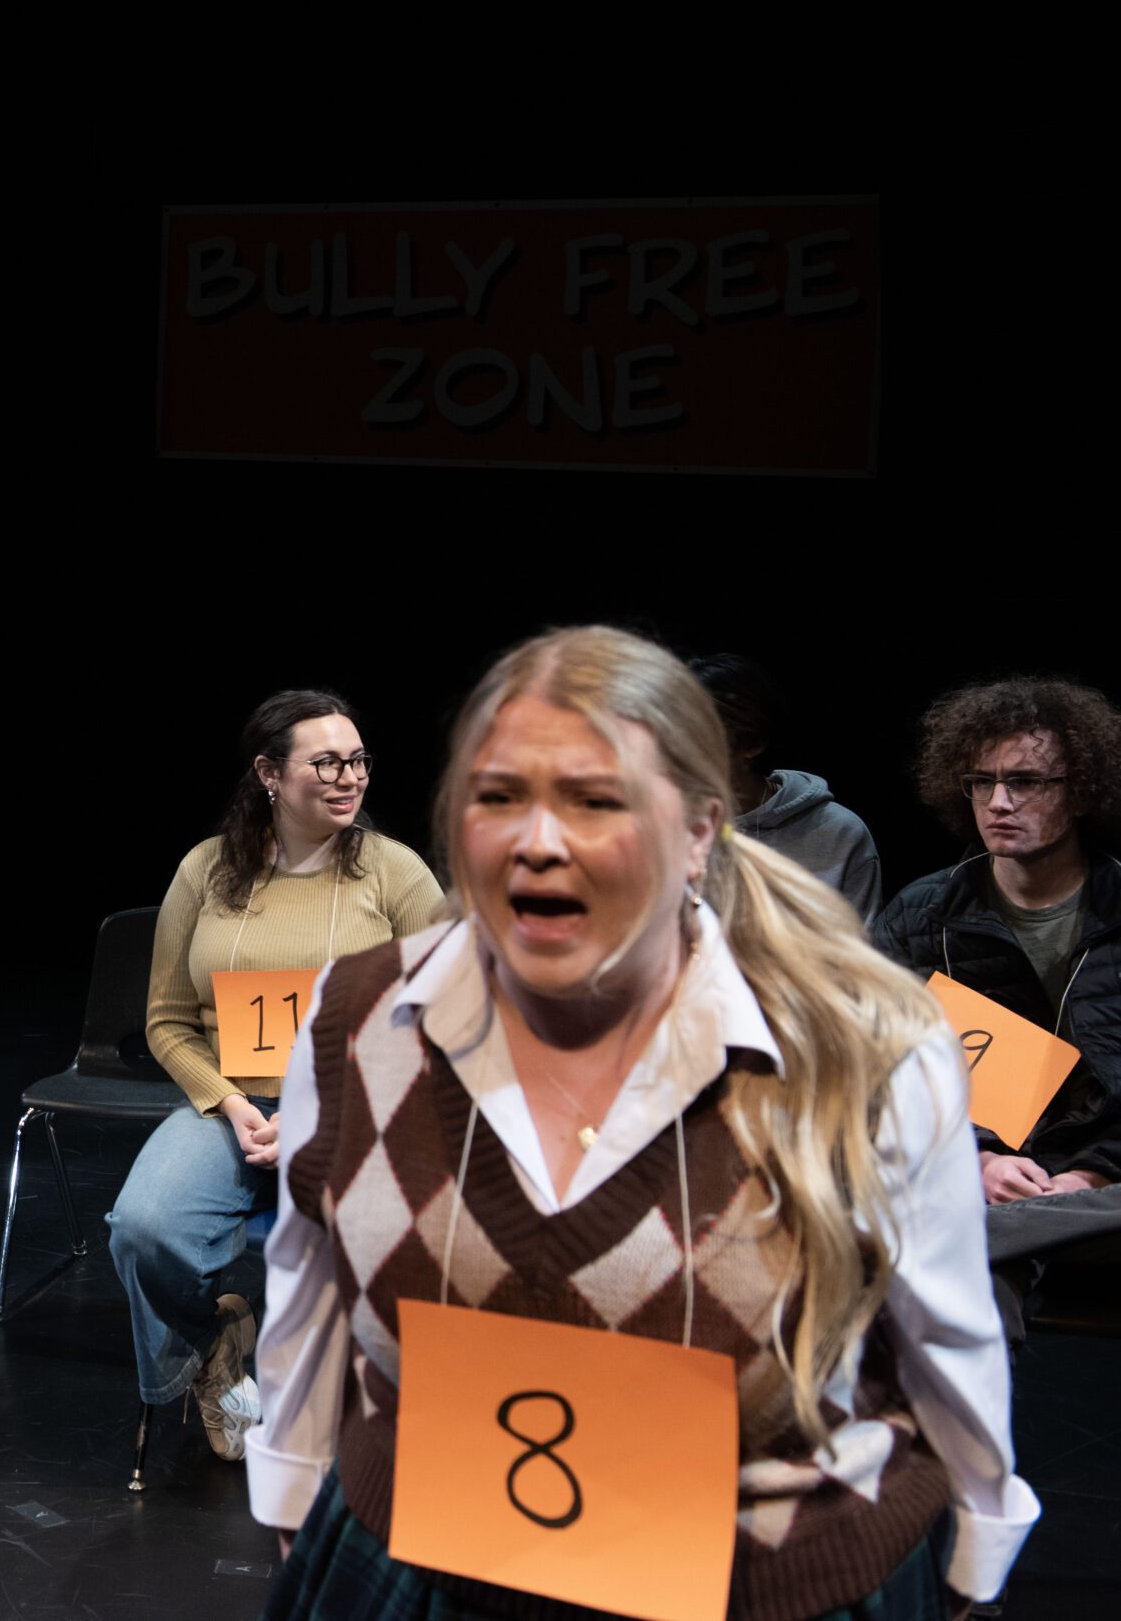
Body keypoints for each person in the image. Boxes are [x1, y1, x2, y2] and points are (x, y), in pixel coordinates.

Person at [249, 628, 1034, 1618]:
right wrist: (289, 1477)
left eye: (594, 799)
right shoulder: (358, 1015)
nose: (538, 837)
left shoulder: (865, 1050)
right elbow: (310, 1271)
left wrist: (977, 1542)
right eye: (497, 795)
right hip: (423, 1565)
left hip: (768, 1584)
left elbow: (944, 1334)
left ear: (700, 830)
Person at [114, 692, 442, 1460]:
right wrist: (229, 1104)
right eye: (326, 762)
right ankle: (217, 1343)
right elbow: (165, 1018)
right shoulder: (207, 869)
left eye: (358, 760)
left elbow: (444, 1014)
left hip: (357, 1099)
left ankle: (371, 1418)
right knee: (143, 1229)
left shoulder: (393, 872)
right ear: (268, 773)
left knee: (382, 1238)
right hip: (234, 1102)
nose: (348, 777)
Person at [868, 678, 1121, 1330]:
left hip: (1103, 1188)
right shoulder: (923, 917)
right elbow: (877, 1070)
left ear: (1081, 790)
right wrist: (976, 1157)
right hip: (972, 1179)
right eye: (982, 781)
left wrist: (1093, 1172)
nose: (999, 802)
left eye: (1028, 782)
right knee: (950, 1255)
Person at [689, 652, 883, 921]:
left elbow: (856, 953)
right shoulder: (661, 826)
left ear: (752, 743)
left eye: (694, 733)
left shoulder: (838, 834)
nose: (676, 749)